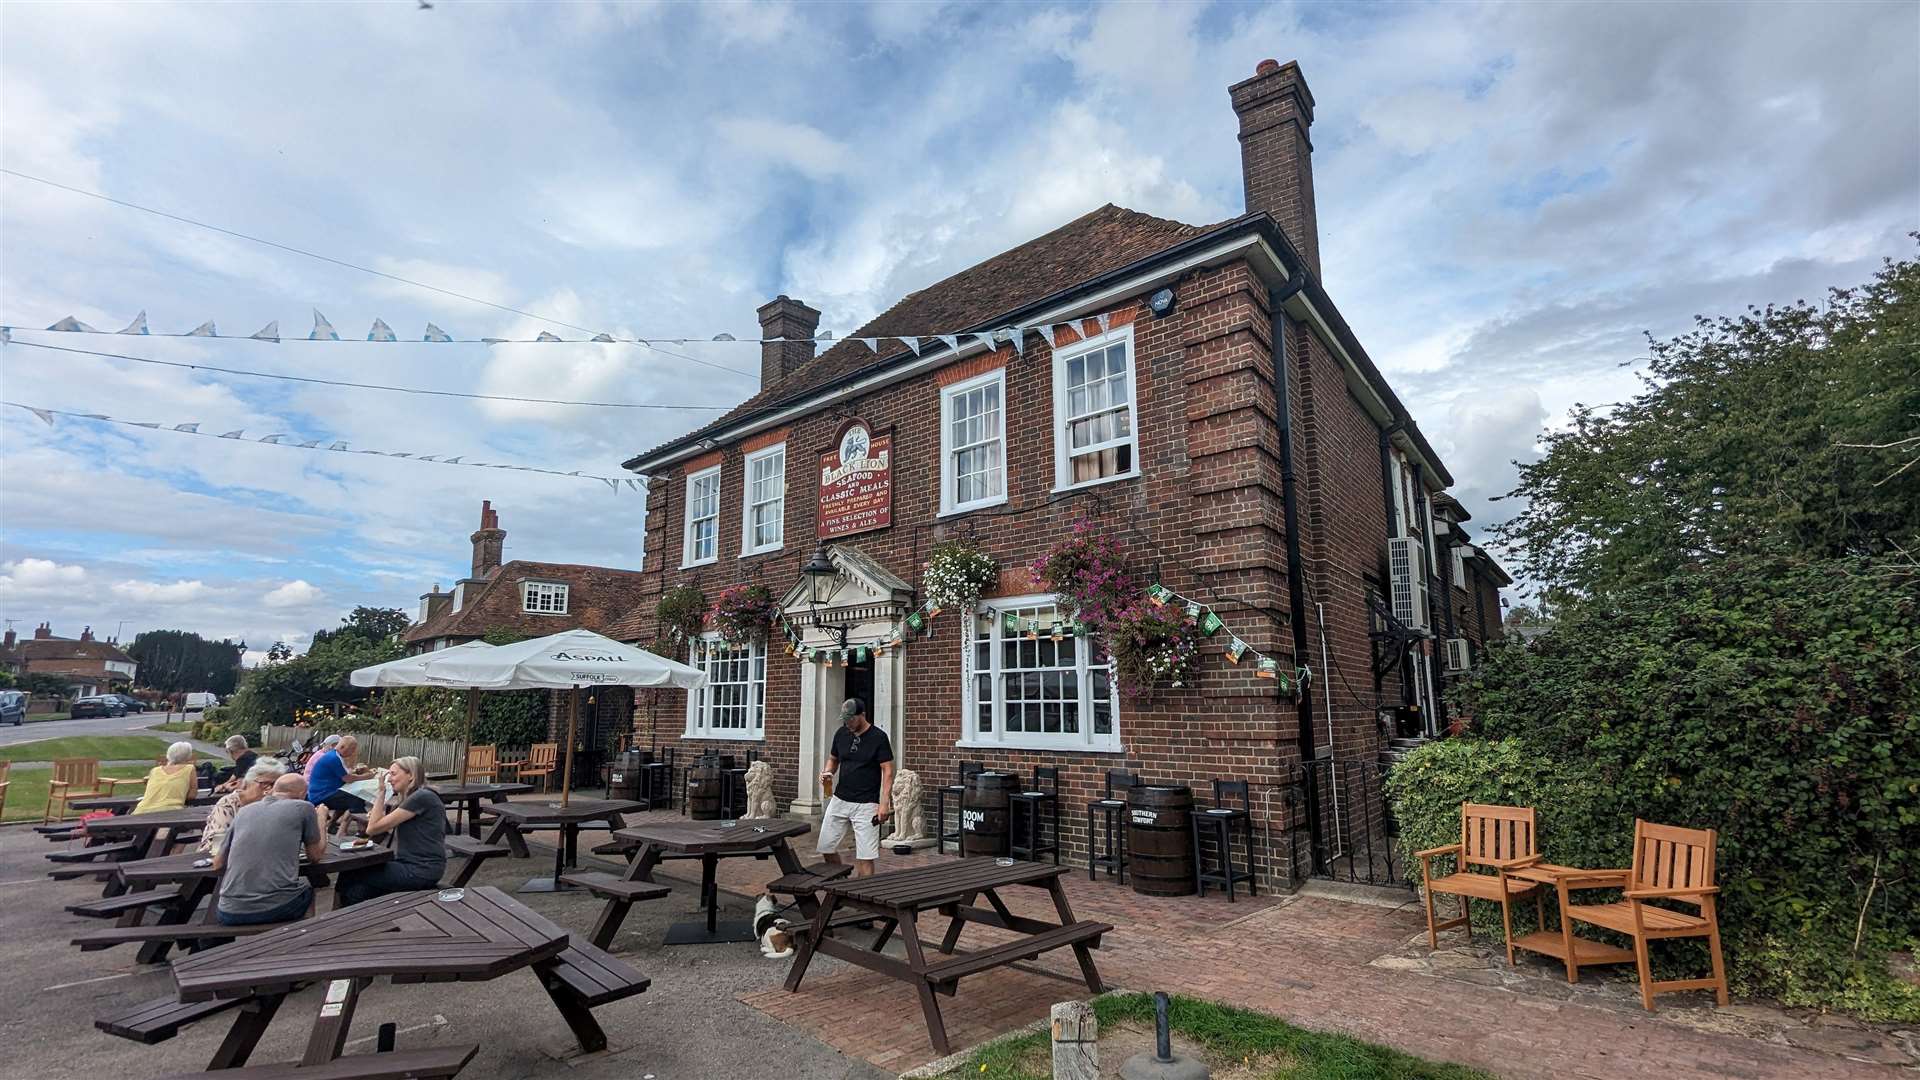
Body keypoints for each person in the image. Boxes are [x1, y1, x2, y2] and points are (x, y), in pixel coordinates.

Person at [214, 773, 325, 926]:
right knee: (307, 891)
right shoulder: (304, 807)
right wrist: (321, 819)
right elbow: (315, 856)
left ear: (274, 790)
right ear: (302, 793)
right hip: (274, 907)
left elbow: (218, 863)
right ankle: (304, 939)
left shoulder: (244, 811)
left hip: (227, 910)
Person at [336, 756, 447, 906]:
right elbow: (379, 830)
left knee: (350, 873)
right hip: (413, 865)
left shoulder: (421, 797)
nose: (389, 780)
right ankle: (347, 921)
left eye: (393, 774)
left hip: (420, 870)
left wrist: (381, 792)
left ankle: (336, 916)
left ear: (411, 775)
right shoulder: (414, 798)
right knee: (358, 889)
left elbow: (372, 829)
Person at [816, 697, 893, 878]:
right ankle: (840, 882)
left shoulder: (879, 737)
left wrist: (884, 804)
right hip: (840, 799)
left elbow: (888, 771)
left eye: (851, 719)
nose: (847, 722)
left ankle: (862, 897)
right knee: (826, 846)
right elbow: (833, 759)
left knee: (865, 855)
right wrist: (828, 772)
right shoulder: (841, 734)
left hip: (867, 804)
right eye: (845, 718)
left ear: (862, 715)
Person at [198, 758, 286, 854]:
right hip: (219, 859)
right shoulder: (228, 804)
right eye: (266, 784)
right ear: (249, 782)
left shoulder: (277, 804)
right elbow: (217, 843)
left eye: (277, 785)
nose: (271, 790)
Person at [307, 734, 375, 823]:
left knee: (348, 796)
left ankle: (332, 823)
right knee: (356, 797)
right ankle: (364, 826)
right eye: (352, 749)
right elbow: (348, 778)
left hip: (324, 791)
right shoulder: (333, 758)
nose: (353, 752)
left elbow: (345, 774)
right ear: (343, 747)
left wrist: (358, 773)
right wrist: (367, 776)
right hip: (321, 795)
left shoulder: (335, 756)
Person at [132, 741, 199, 814]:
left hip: (141, 810)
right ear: (188, 756)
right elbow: (192, 795)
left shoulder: (155, 770)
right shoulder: (189, 768)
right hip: (170, 811)